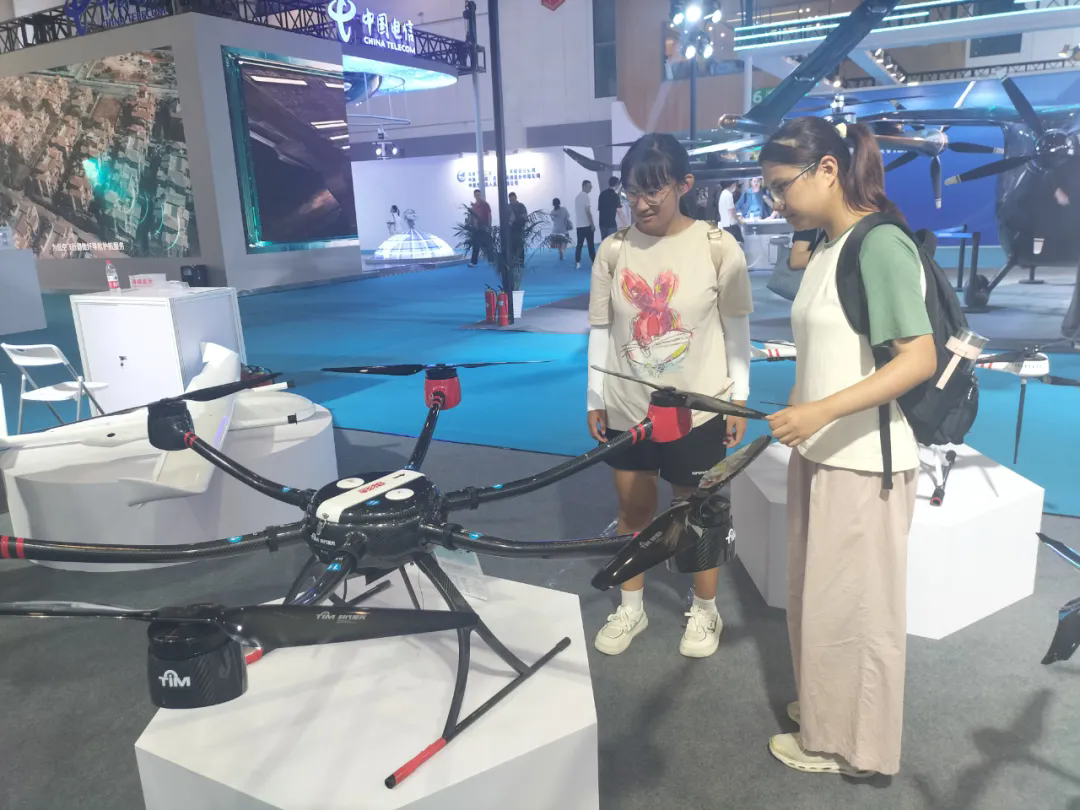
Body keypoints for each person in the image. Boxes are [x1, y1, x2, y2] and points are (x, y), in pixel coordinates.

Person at [758, 117, 938, 777]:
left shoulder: (879, 243)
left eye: (781, 186)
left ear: (828, 170)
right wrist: (805, 409)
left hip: (865, 464)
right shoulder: (828, 245)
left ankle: (852, 749)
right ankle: (828, 712)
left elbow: (918, 358)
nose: (775, 202)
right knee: (823, 603)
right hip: (823, 453)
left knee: (859, 612)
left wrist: (820, 410)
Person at [586, 133, 753, 659]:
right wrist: (594, 397)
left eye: (653, 192)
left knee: (696, 510)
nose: (640, 204)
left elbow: (737, 329)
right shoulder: (613, 250)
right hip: (628, 408)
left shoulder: (717, 247)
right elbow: (600, 328)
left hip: (699, 409)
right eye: (632, 192)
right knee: (634, 509)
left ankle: (705, 609)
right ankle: (631, 606)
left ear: (684, 185)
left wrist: (738, 399)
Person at [575, 179, 596, 268]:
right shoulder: (586, 197)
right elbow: (588, 212)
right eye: (589, 187)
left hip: (579, 225)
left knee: (579, 245)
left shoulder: (577, 197)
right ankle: (594, 262)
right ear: (584, 186)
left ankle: (577, 262)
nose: (590, 188)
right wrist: (592, 224)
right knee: (590, 245)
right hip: (587, 225)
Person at [468, 189, 492, 267]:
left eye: (479, 195)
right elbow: (472, 217)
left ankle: (492, 260)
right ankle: (473, 262)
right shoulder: (474, 206)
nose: (478, 196)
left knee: (488, 245)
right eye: (476, 195)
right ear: (474, 196)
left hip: (485, 227)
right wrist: (472, 224)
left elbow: (489, 215)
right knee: (476, 245)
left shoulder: (485, 204)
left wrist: (489, 226)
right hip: (477, 228)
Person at [508, 192, 528, 266]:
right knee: (512, 245)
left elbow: (524, 216)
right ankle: (513, 261)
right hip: (511, 229)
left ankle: (521, 261)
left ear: (516, 197)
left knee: (520, 245)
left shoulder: (521, 206)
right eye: (510, 200)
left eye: (513, 199)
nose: (512, 201)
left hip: (519, 228)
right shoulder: (508, 207)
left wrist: (517, 220)